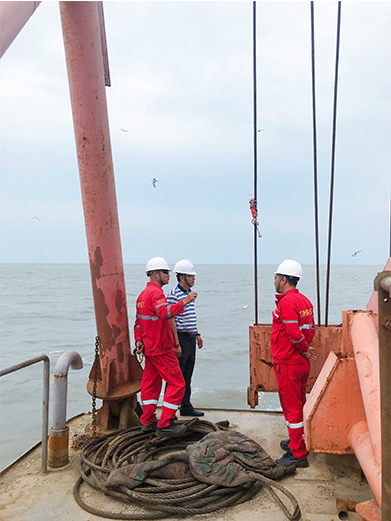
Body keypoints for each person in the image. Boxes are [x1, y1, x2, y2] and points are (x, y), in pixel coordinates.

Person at [134, 257, 197, 437]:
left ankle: (147, 420)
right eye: (165, 272)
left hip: (149, 349)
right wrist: (184, 302)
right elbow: (165, 313)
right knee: (178, 383)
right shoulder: (156, 294)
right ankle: (165, 423)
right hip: (161, 348)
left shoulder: (142, 296)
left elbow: (138, 322)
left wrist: (139, 340)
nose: (169, 275)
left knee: (151, 384)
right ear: (155, 274)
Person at [271, 259, 316, 468]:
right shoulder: (305, 301)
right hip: (300, 363)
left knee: (292, 409)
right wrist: (305, 349)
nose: (274, 281)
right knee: (298, 404)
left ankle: (298, 454)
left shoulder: (287, 303)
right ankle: (297, 442)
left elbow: (293, 334)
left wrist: (303, 348)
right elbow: (309, 331)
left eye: (276, 277)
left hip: (288, 363)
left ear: (283, 279)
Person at [166, 259, 204, 417]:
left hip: (190, 338)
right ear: (182, 277)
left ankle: (186, 406)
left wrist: (197, 334)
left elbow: (189, 317)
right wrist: (176, 343)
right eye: (191, 276)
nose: (194, 278)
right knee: (175, 376)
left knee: (187, 374)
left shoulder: (189, 294)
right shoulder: (174, 295)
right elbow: (170, 319)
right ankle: (170, 412)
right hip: (180, 338)